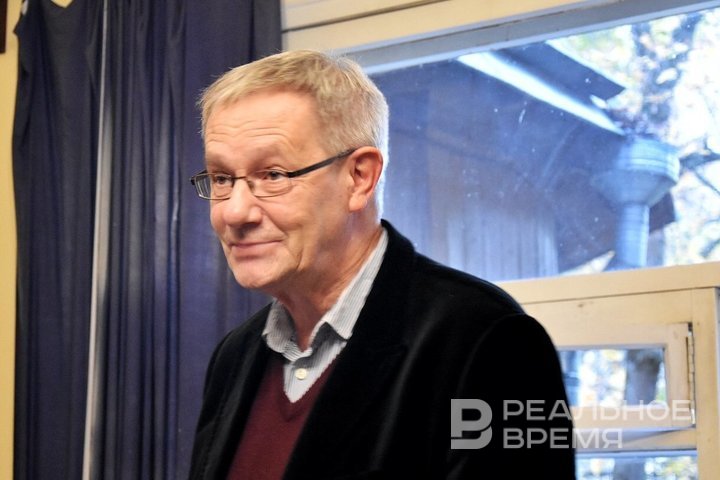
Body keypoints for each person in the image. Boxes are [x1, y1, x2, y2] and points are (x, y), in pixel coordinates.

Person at [188, 49, 575, 480]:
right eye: (222, 178)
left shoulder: (490, 341)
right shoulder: (234, 356)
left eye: (274, 175)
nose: (234, 212)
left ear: (359, 178)